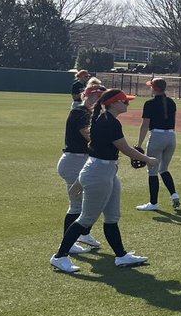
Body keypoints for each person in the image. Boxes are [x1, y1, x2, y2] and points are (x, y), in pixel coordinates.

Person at [50, 89, 156, 272]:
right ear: (114, 103)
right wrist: (149, 160)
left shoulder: (106, 119)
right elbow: (125, 149)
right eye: (124, 101)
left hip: (105, 171)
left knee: (112, 217)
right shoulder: (109, 121)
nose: (127, 104)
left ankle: (121, 256)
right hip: (99, 173)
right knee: (86, 219)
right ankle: (59, 257)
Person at [57, 84, 106, 255]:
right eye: (94, 97)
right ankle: (68, 243)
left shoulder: (88, 113)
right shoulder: (80, 112)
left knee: (87, 202)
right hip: (73, 162)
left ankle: (83, 234)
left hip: (78, 161)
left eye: (99, 99)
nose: (97, 101)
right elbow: (88, 135)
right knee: (76, 205)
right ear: (87, 95)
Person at [135, 77, 180, 211]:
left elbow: (144, 125)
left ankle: (153, 203)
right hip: (171, 136)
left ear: (154, 89)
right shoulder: (171, 102)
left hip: (157, 137)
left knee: (153, 171)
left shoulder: (149, 103)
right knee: (164, 169)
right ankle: (174, 194)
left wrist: (139, 144)